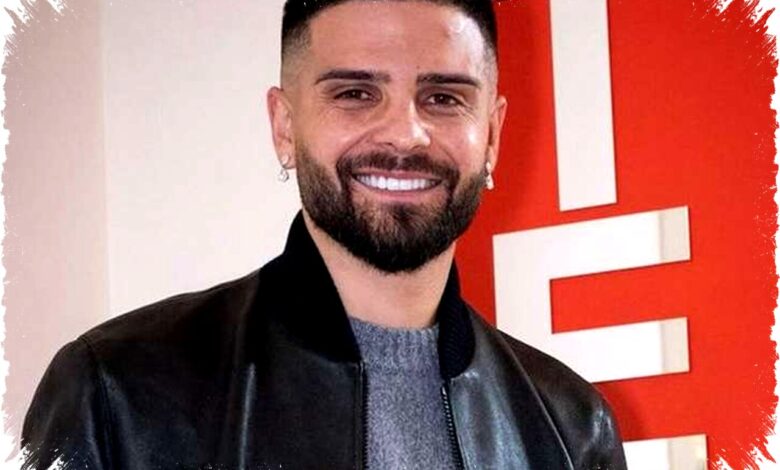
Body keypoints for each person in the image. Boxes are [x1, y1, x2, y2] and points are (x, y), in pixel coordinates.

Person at [22, 0, 628, 468]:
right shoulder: (116, 392)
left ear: (491, 134)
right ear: (285, 127)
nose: (405, 134)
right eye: (356, 94)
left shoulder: (572, 428)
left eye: (443, 97)